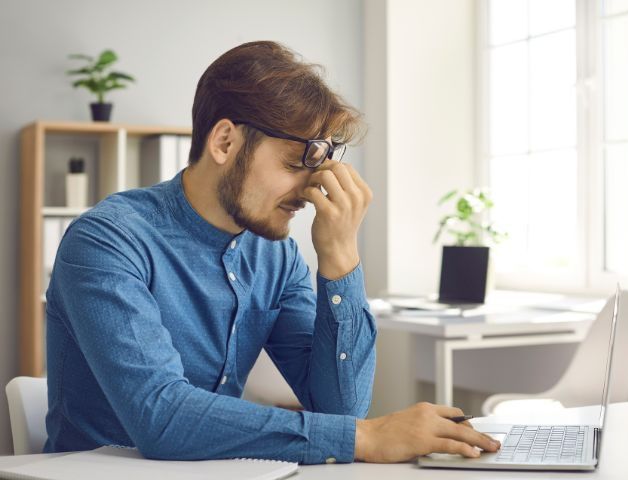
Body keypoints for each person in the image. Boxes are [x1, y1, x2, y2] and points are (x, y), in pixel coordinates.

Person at [44, 41, 500, 464]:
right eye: (292, 163)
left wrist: (341, 256)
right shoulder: (107, 240)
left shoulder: (275, 256)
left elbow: (338, 406)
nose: (310, 187)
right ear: (225, 142)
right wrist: (366, 437)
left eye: (318, 166)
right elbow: (161, 417)